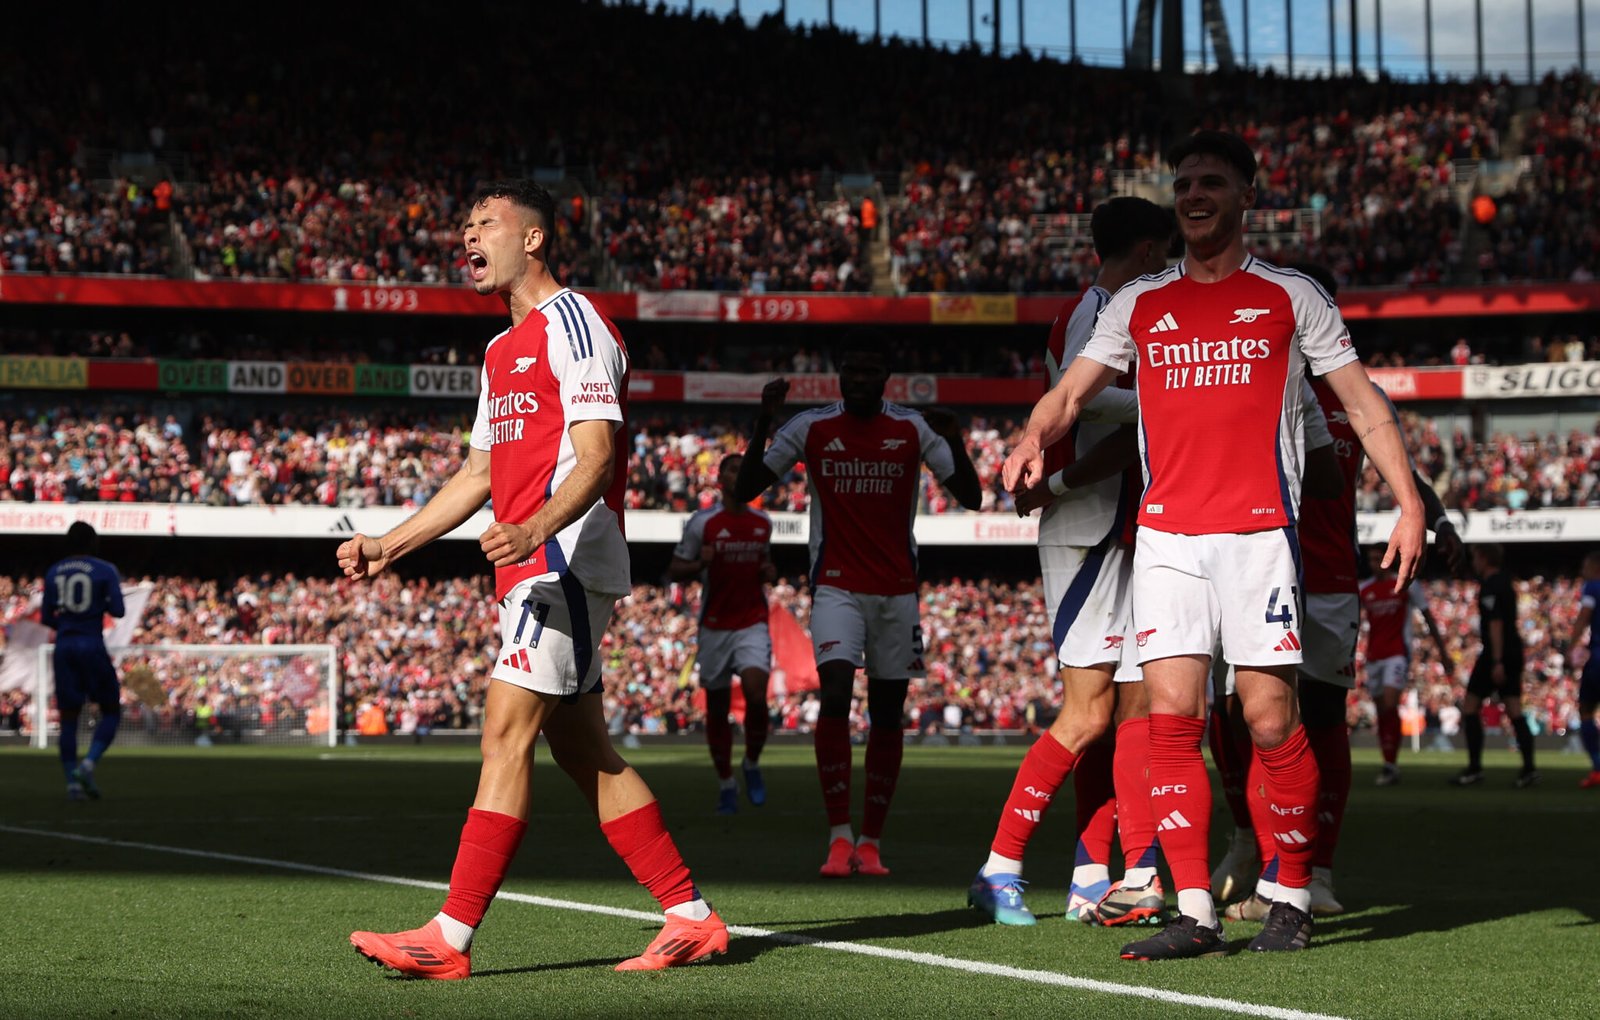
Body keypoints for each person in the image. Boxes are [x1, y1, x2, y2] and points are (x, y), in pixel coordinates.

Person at [1003, 130, 1426, 959]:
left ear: (1246, 195)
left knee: (1271, 719)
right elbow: (1069, 393)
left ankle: (1294, 892)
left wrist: (1407, 502)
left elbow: (1365, 405)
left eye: (1212, 182)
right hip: (1165, 538)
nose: (1195, 194)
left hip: (1261, 534)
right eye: (1185, 182)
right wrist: (1029, 439)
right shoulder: (1138, 303)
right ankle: (1195, 911)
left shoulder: (1291, 295)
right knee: (1172, 720)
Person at [341, 179, 725, 980]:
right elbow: (480, 470)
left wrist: (536, 529)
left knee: (503, 735)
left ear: (535, 239)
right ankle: (690, 916)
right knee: (586, 753)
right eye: (466, 227)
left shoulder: (574, 324)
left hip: (563, 562)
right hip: (532, 563)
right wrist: (392, 544)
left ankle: (449, 937)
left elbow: (597, 457)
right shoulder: (497, 350)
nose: (469, 239)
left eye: (486, 224)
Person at [1208, 261, 1465, 923]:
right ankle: (1258, 850)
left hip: (1322, 581)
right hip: (1264, 570)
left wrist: (1432, 515)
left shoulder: (1357, 395)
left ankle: (1305, 872)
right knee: (1249, 719)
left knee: (1308, 723)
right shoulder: (1264, 376)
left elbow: (1396, 468)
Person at [966, 196, 1174, 928]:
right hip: (1084, 533)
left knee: (1135, 706)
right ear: (1147, 252)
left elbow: (1125, 442)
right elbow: (1085, 406)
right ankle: (1000, 865)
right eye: (1169, 254)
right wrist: (1175, 392)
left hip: (1119, 530)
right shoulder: (1097, 312)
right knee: (1088, 714)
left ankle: (1113, 873)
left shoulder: (1115, 310)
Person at [734, 329, 981, 878]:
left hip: (897, 591)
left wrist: (957, 440)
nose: (860, 381)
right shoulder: (812, 426)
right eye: (852, 372)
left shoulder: (912, 429)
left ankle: (870, 842)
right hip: (836, 587)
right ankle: (838, 837)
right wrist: (762, 424)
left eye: (871, 372)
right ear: (841, 375)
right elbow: (744, 489)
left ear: (885, 377)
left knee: (887, 712)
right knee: (837, 693)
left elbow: (973, 497)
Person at [668, 452, 776, 814]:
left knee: (757, 695)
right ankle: (727, 783)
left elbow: (764, 565)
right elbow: (676, 568)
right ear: (720, 479)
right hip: (714, 625)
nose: (739, 474)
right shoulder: (703, 522)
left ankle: (752, 763)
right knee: (716, 709)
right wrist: (701, 562)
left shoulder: (763, 522)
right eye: (733, 468)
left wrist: (767, 571)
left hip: (752, 622)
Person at [41, 521, 125, 801]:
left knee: (68, 718)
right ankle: (88, 765)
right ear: (92, 542)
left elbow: (45, 617)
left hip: (64, 646)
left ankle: (72, 786)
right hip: (91, 644)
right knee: (111, 710)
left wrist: (69, 620)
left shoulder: (53, 571)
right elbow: (119, 610)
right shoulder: (105, 569)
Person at [1360, 543, 1452, 787]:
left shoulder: (1405, 584)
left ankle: (1390, 764)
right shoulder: (1364, 589)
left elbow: (1428, 616)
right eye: (1371, 559)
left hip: (1397, 654)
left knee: (1390, 704)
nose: (1374, 563)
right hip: (1373, 657)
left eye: (1378, 558)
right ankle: (1389, 761)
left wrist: (1443, 652)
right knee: (1381, 710)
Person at [1453, 543, 1538, 788]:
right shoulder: (1505, 582)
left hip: (1497, 653)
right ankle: (1529, 769)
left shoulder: (1492, 584)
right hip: (1512, 650)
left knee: (1470, 705)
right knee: (1514, 709)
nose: (1474, 562)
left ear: (1485, 558)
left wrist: (1497, 660)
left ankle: (1474, 768)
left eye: (1475, 557)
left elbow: (1496, 623)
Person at [1569, 550, 1600, 788]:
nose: (1583, 571)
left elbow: (1584, 616)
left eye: (1586, 566)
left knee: (1587, 709)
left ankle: (1598, 768)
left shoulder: (1592, 587)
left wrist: (1571, 645)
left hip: (1598, 657)